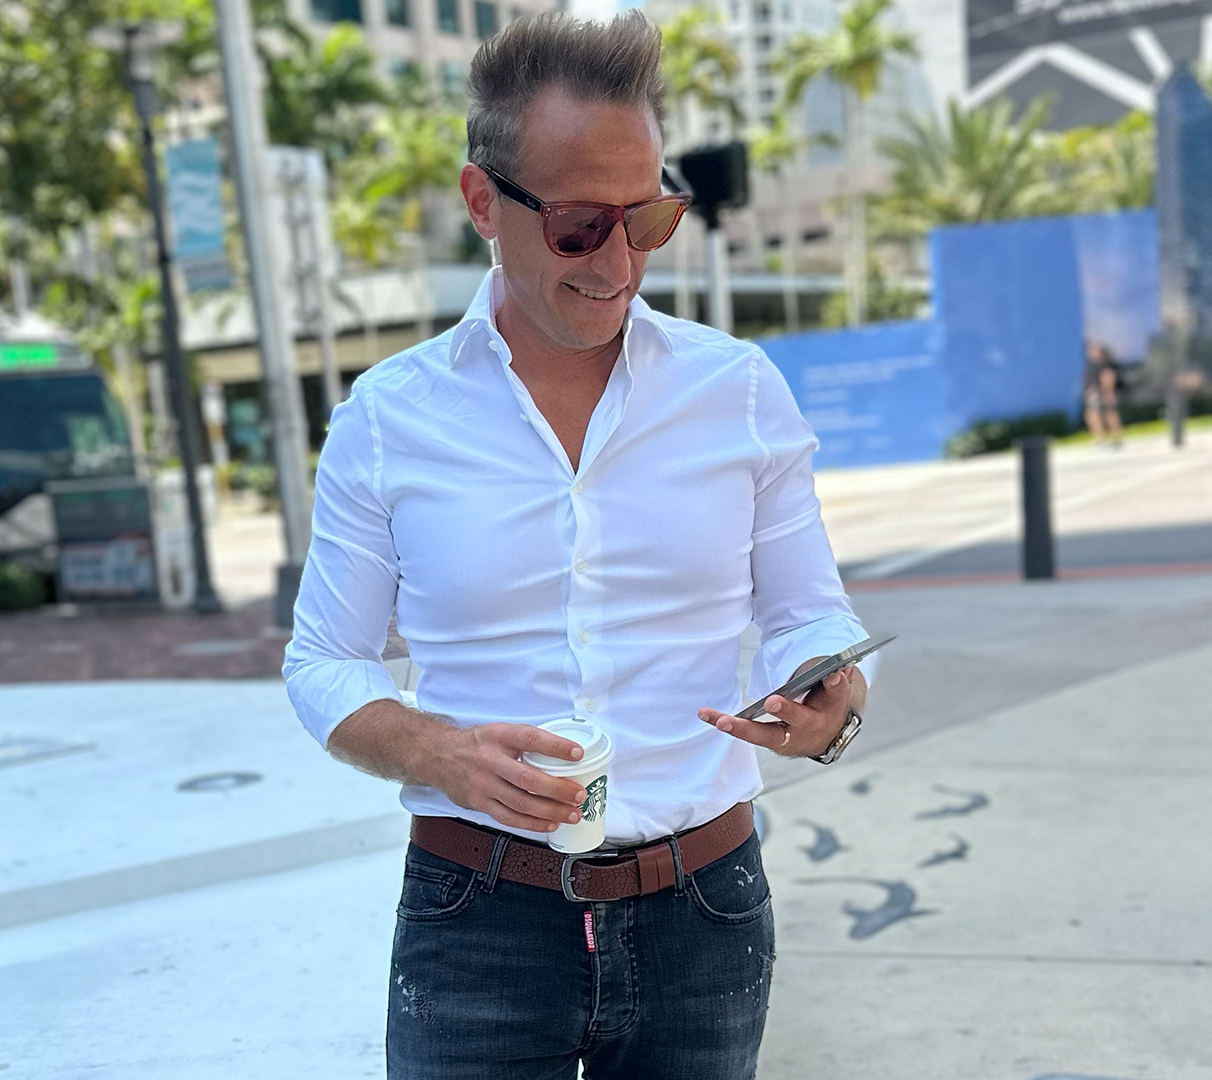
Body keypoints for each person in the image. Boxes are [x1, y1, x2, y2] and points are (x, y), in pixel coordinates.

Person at [282, 12, 878, 1078]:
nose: (619, 262)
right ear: (483, 203)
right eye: (577, 227)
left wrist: (827, 690)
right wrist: (438, 753)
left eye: (647, 220)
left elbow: (807, 610)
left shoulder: (736, 391)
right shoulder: (389, 416)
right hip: (477, 921)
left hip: (707, 910)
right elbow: (323, 660)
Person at [1083, 339, 1124, 448]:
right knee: (1093, 415)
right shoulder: (1092, 363)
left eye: (1093, 349)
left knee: (1109, 414)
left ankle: (1115, 438)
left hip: (1101, 392)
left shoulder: (1104, 363)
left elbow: (1108, 378)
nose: (1090, 351)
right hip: (1094, 393)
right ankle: (1100, 438)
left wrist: (1108, 392)